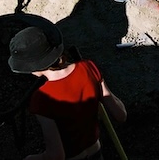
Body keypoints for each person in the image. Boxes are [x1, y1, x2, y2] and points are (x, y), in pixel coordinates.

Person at [9, 24, 126, 160]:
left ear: (33, 67)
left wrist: (31, 158)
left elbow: (56, 156)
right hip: (96, 151)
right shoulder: (88, 67)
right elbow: (120, 115)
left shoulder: (42, 99)